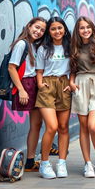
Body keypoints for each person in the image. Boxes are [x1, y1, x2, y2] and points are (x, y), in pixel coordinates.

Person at [70, 16, 95, 178]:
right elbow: (72, 69)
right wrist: (72, 82)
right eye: (81, 28)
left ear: (92, 28)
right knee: (83, 127)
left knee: (93, 126)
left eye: (88, 27)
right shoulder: (74, 46)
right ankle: (87, 163)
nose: (85, 30)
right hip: (80, 84)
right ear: (77, 30)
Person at [8, 17, 46, 172]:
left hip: (34, 84)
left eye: (42, 30)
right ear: (29, 26)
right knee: (36, 125)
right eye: (36, 27)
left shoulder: (33, 45)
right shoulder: (22, 44)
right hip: (26, 84)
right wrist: (22, 89)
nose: (38, 31)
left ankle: (30, 161)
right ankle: (32, 159)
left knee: (36, 124)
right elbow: (12, 68)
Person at [35, 17, 71, 179]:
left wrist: (71, 83)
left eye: (60, 28)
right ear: (49, 31)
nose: (57, 31)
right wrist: (40, 85)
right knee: (52, 126)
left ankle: (62, 163)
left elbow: (75, 68)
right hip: (48, 86)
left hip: (64, 85)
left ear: (64, 29)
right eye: (53, 29)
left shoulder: (70, 47)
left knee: (63, 127)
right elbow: (39, 71)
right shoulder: (43, 48)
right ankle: (44, 163)